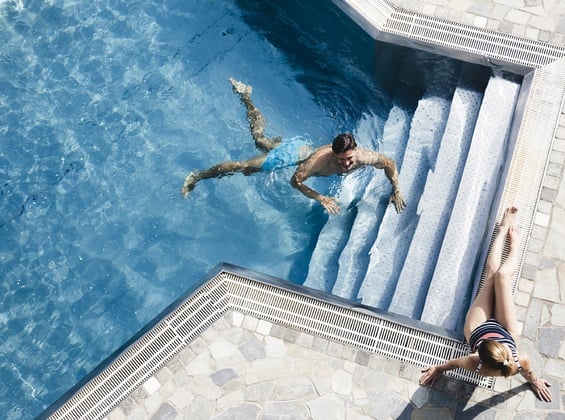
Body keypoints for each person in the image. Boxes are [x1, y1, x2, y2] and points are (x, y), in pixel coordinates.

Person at [181, 78, 406, 215]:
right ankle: (198, 176)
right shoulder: (317, 162)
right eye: (341, 160)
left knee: (261, 141)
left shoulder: (362, 156)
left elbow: (388, 162)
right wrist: (321, 198)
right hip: (296, 155)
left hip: (303, 151)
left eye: (349, 159)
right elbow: (295, 181)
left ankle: (246, 96)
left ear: (354, 150)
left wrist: (396, 189)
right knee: (245, 166)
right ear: (333, 154)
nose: (347, 165)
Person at [419, 207, 553, 402]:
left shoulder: (476, 363)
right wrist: (535, 382)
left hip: (477, 329)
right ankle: (514, 246)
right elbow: (529, 373)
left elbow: (452, 364)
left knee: (491, 275)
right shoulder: (520, 359)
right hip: (506, 330)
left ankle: (502, 229)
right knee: (502, 276)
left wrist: (437, 369)